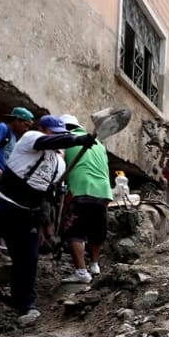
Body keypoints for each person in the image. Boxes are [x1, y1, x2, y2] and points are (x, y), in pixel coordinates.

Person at [0, 115, 94, 325]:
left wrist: (45, 226)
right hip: (0, 203)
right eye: (55, 134)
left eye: (63, 135)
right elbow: (46, 142)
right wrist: (76, 140)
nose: (58, 139)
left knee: (28, 260)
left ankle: (25, 305)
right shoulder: (31, 138)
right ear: (43, 129)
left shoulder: (59, 164)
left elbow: (46, 197)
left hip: (26, 213)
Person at [59, 114, 112, 284]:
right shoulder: (98, 144)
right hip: (103, 191)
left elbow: (59, 162)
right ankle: (94, 265)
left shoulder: (66, 139)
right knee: (96, 229)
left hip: (81, 189)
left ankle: (81, 272)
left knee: (75, 231)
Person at [0, 107, 34, 180]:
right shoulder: (1, 127)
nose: (26, 129)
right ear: (16, 120)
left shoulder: (13, 136)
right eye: (26, 125)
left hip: (2, 174)